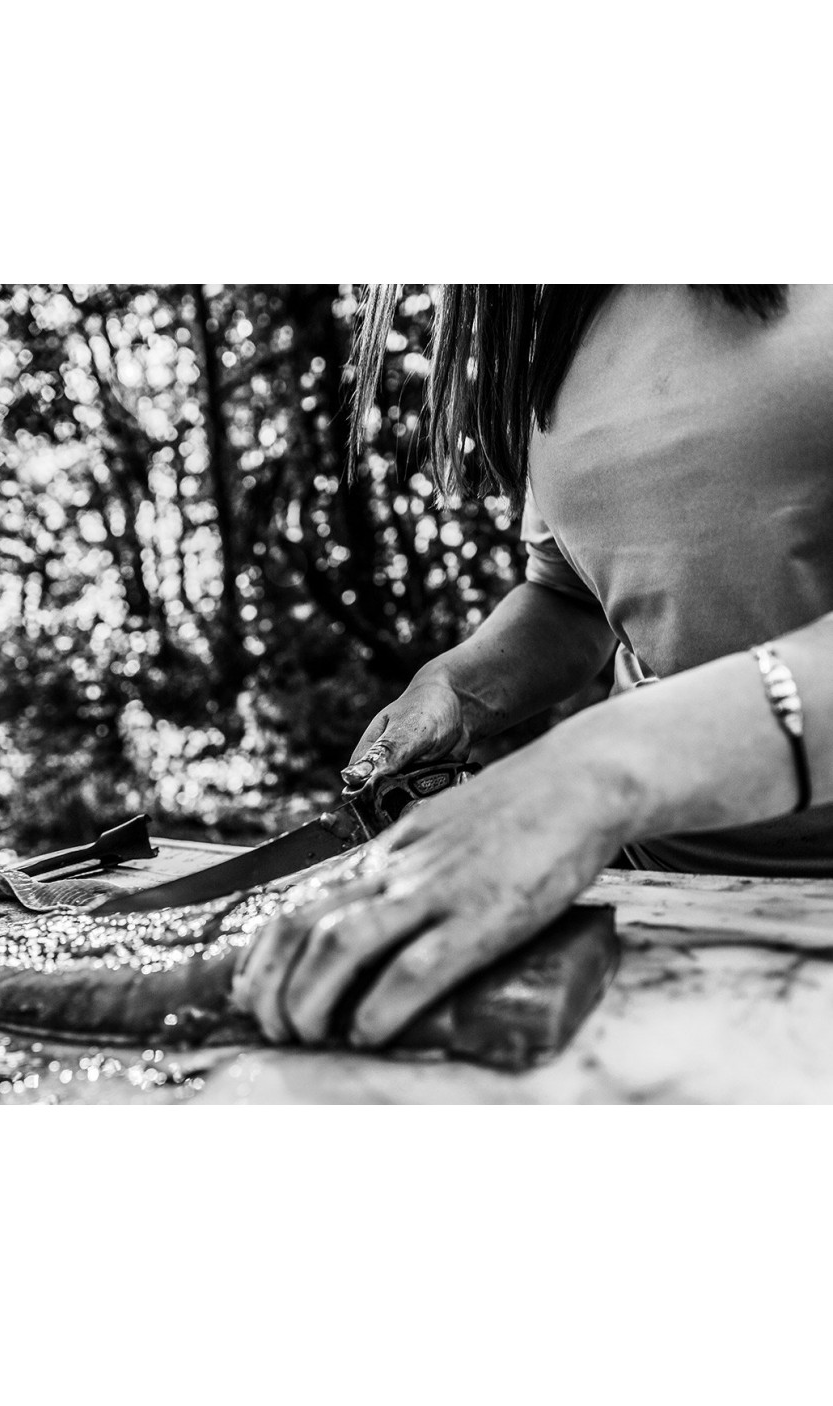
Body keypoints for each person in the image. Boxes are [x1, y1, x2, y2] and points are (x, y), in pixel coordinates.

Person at [232, 284, 833, 1050]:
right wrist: (456, 688)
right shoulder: (555, 312)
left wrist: (601, 771)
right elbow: (573, 597)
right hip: (660, 898)